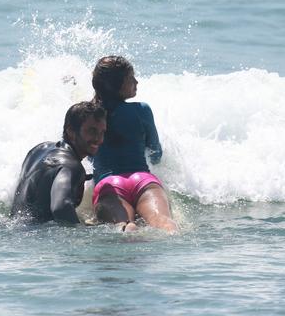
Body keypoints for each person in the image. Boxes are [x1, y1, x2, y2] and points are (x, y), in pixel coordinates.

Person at [91, 56, 178, 233]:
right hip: (143, 180)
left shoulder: (90, 115)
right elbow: (156, 153)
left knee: (123, 226)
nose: (136, 82)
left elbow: (83, 152)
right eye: (131, 78)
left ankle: (128, 229)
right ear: (118, 85)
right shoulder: (142, 110)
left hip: (109, 184)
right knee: (164, 222)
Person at [11, 101, 106, 223]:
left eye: (102, 132)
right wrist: (81, 237)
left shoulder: (38, 150)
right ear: (71, 131)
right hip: (37, 237)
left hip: (16, 230)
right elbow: (61, 207)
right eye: (92, 131)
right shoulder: (71, 166)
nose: (99, 139)